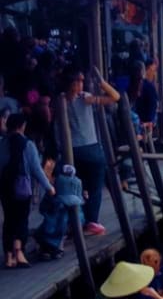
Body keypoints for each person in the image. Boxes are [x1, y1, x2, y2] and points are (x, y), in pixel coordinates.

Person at [65, 68, 120, 235]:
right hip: (90, 147)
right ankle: (92, 220)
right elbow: (115, 97)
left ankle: (77, 220)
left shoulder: (61, 100)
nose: (81, 84)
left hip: (71, 150)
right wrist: (102, 82)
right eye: (79, 81)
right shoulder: (86, 98)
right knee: (95, 186)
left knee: (77, 187)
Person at [0, 113, 54, 267]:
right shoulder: (28, 144)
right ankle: (19, 252)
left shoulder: (1, 144)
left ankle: (9, 257)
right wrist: (49, 187)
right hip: (22, 187)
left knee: (9, 219)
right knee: (22, 218)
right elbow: (36, 170)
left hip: (5, 187)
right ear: (22, 126)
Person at [33, 162, 82, 261]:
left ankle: (49, 249)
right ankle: (55, 249)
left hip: (51, 226)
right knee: (59, 228)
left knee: (52, 229)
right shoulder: (76, 183)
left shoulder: (55, 189)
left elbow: (42, 208)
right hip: (57, 226)